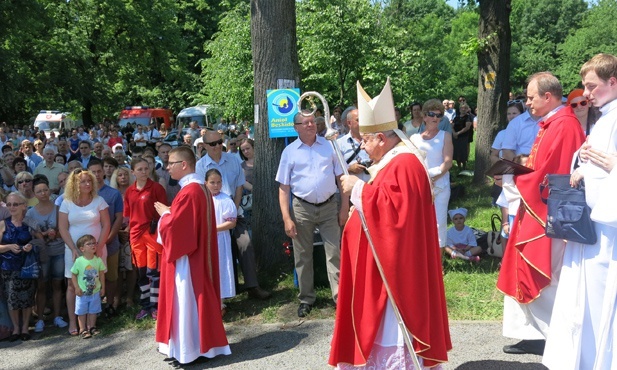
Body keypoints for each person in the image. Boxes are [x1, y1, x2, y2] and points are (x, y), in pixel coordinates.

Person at [330, 79, 451, 368]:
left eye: (366, 139)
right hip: (379, 266)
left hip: (394, 275)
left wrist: (357, 189)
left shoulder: (405, 164)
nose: (361, 143)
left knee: (390, 334)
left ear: (382, 138)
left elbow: (398, 217)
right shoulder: (392, 161)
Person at [496, 72, 585, 355]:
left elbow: (551, 174)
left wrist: (513, 178)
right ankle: (532, 334)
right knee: (524, 268)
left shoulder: (564, 125)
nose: (527, 102)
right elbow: (541, 166)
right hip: (536, 208)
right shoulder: (553, 122)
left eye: (531, 97)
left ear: (548, 97)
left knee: (545, 272)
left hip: (548, 213)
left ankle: (552, 336)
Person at [543, 53, 617, 369]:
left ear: (612, 82)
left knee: (603, 301)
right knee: (585, 301)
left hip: (608, 230)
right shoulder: (605, 118)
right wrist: (581, 163)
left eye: (591, 86)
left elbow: (608, 166)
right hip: (592, 228)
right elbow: (591, 162)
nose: (585, 94)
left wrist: (607, 169)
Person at [154, 146, 231, 365]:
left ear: (184, 165)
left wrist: (164, 216)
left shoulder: (190, 192)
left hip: (188, 260)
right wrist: (171, 213)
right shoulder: (197, 189)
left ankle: (191, 350)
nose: (167, 167)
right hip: (193, 255)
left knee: (185, 300)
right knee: (189, 301)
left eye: (171, 163)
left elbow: (178, 230)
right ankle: (189, 347)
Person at [276, 111, 347, 317]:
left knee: (334, 252)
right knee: (303, 255)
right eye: (305, 122)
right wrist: (286, 218)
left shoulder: (330, 146)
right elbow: (283, 187)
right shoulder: (289, 152)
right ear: (296, 127)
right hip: (302, 209)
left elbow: (342, 180)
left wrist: (343, 208)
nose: (311, 125)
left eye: (313, 122)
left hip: (328, 206)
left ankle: (339, 298)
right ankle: (306, 298)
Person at [196, 130, 270, 300]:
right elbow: (202, 193)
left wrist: (233, 210)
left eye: (220, 142)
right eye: (213, 144)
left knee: (245, 243)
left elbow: (239, 187)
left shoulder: (233, 160)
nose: (217, 147)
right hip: (213, 213)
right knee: (219, 251)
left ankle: (253, 286)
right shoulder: (200, 166)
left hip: (234, 209)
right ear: (205, 146)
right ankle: (222, 292)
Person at [58, 168, 110, 336]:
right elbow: (63, 228)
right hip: (73, 251)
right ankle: (74, 321)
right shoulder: (66, 202)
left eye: (89, 181)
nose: (87, 184)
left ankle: (90, 323)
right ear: (74, 184)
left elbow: (106, 225)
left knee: (94, 284)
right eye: (82, 181)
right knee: (73, 286)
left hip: (96, 250)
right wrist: (73, 248)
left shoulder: (99, 200)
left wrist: (100, 247)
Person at [124, 158, 167, 320]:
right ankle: (145, 306)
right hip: (136, 236)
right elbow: (128, 215)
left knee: (154, 272)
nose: (143, 172)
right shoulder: (129, 191)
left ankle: (156, 306)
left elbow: (164, 213)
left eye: (146, 168)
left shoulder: (156, 188)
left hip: (152, 234)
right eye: (139, 169)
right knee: (141, 273)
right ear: (133, 172)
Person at [410, 99, 453, 248]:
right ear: (424, 116)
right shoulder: (414, 139)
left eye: (439, 115)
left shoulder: (445, 136)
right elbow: (411, 165)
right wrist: (422, 179)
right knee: (419, 223)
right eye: (431, 114)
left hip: (440, 185)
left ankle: (440, 265)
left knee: (439, 223)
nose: (435, 118)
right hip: (420, 186)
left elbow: (448, 163)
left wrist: (430, 176)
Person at [28, 177, 68, 333]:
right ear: (35, 194)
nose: (43, 193)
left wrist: (55, 234)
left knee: (58, 285)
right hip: (42, 254)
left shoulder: (59, 209)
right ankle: (40, 319)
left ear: (50, 191)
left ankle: (58, 316)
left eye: (45, 190)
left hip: (58, 251)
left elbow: (65, 229)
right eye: (39, 191)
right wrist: (44, 234)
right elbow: (32, 234)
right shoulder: (31, 212)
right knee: (42, 286)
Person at [87, 159, 123, 318]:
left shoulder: (113, 193)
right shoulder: (83, 194)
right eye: (93, 172)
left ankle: (109, 305)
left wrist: (108, 239)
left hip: (110, 242)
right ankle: (94, 308)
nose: (96, 175)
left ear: (104, 171)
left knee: (111, 276)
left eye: (99, 171)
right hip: (89, 245)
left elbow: (118, 219)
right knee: (91, 277)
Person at [0, 192, 37, 342]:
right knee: (11, 299)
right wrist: (8, 246)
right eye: (9, 204)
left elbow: (40, 240)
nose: (12, 207)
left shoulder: (30, 222)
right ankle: (16, 328)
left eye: (15, 204)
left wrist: (30, 246)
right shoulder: (2, 223)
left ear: (23, 205)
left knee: (27, 297)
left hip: (26, 265)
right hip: (8, 266)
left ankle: (25, 327)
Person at [205, 169, 236, 310]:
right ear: (206, 183)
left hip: (220, 239)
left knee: (221, 266)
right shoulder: (202, 198)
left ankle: (220, 300)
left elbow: (231, 222)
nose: (216, 185)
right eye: (212, 182)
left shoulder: (225, 199)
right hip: (205, 240)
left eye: (218, 182)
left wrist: (213, 229)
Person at [70, 234, 105, 339]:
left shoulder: (98, 260)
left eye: (94, 243)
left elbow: (102, 273)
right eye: (89, 244)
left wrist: (103, 287)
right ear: (82, 249)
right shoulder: (79, 261)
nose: (92, 245)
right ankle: (82, 329)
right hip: (83, 292)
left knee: (93, 310)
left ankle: (92, 327)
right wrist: (76, 287)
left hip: (95, 291)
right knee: (81, 311)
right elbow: (73, 274)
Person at [451, 103, 473, 170]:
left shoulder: (468, 117)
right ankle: (459, 166)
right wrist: (454, 133)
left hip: (464, 137)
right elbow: (452, 126)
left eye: (465, 108)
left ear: (467, 109)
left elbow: (467, 127)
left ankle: (464, 166)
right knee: (456, 151)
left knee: (463, 152)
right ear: (459, 109)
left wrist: (458, 133)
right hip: (455, 137)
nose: (463, 109)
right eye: (462, 108)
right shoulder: (456, 117)